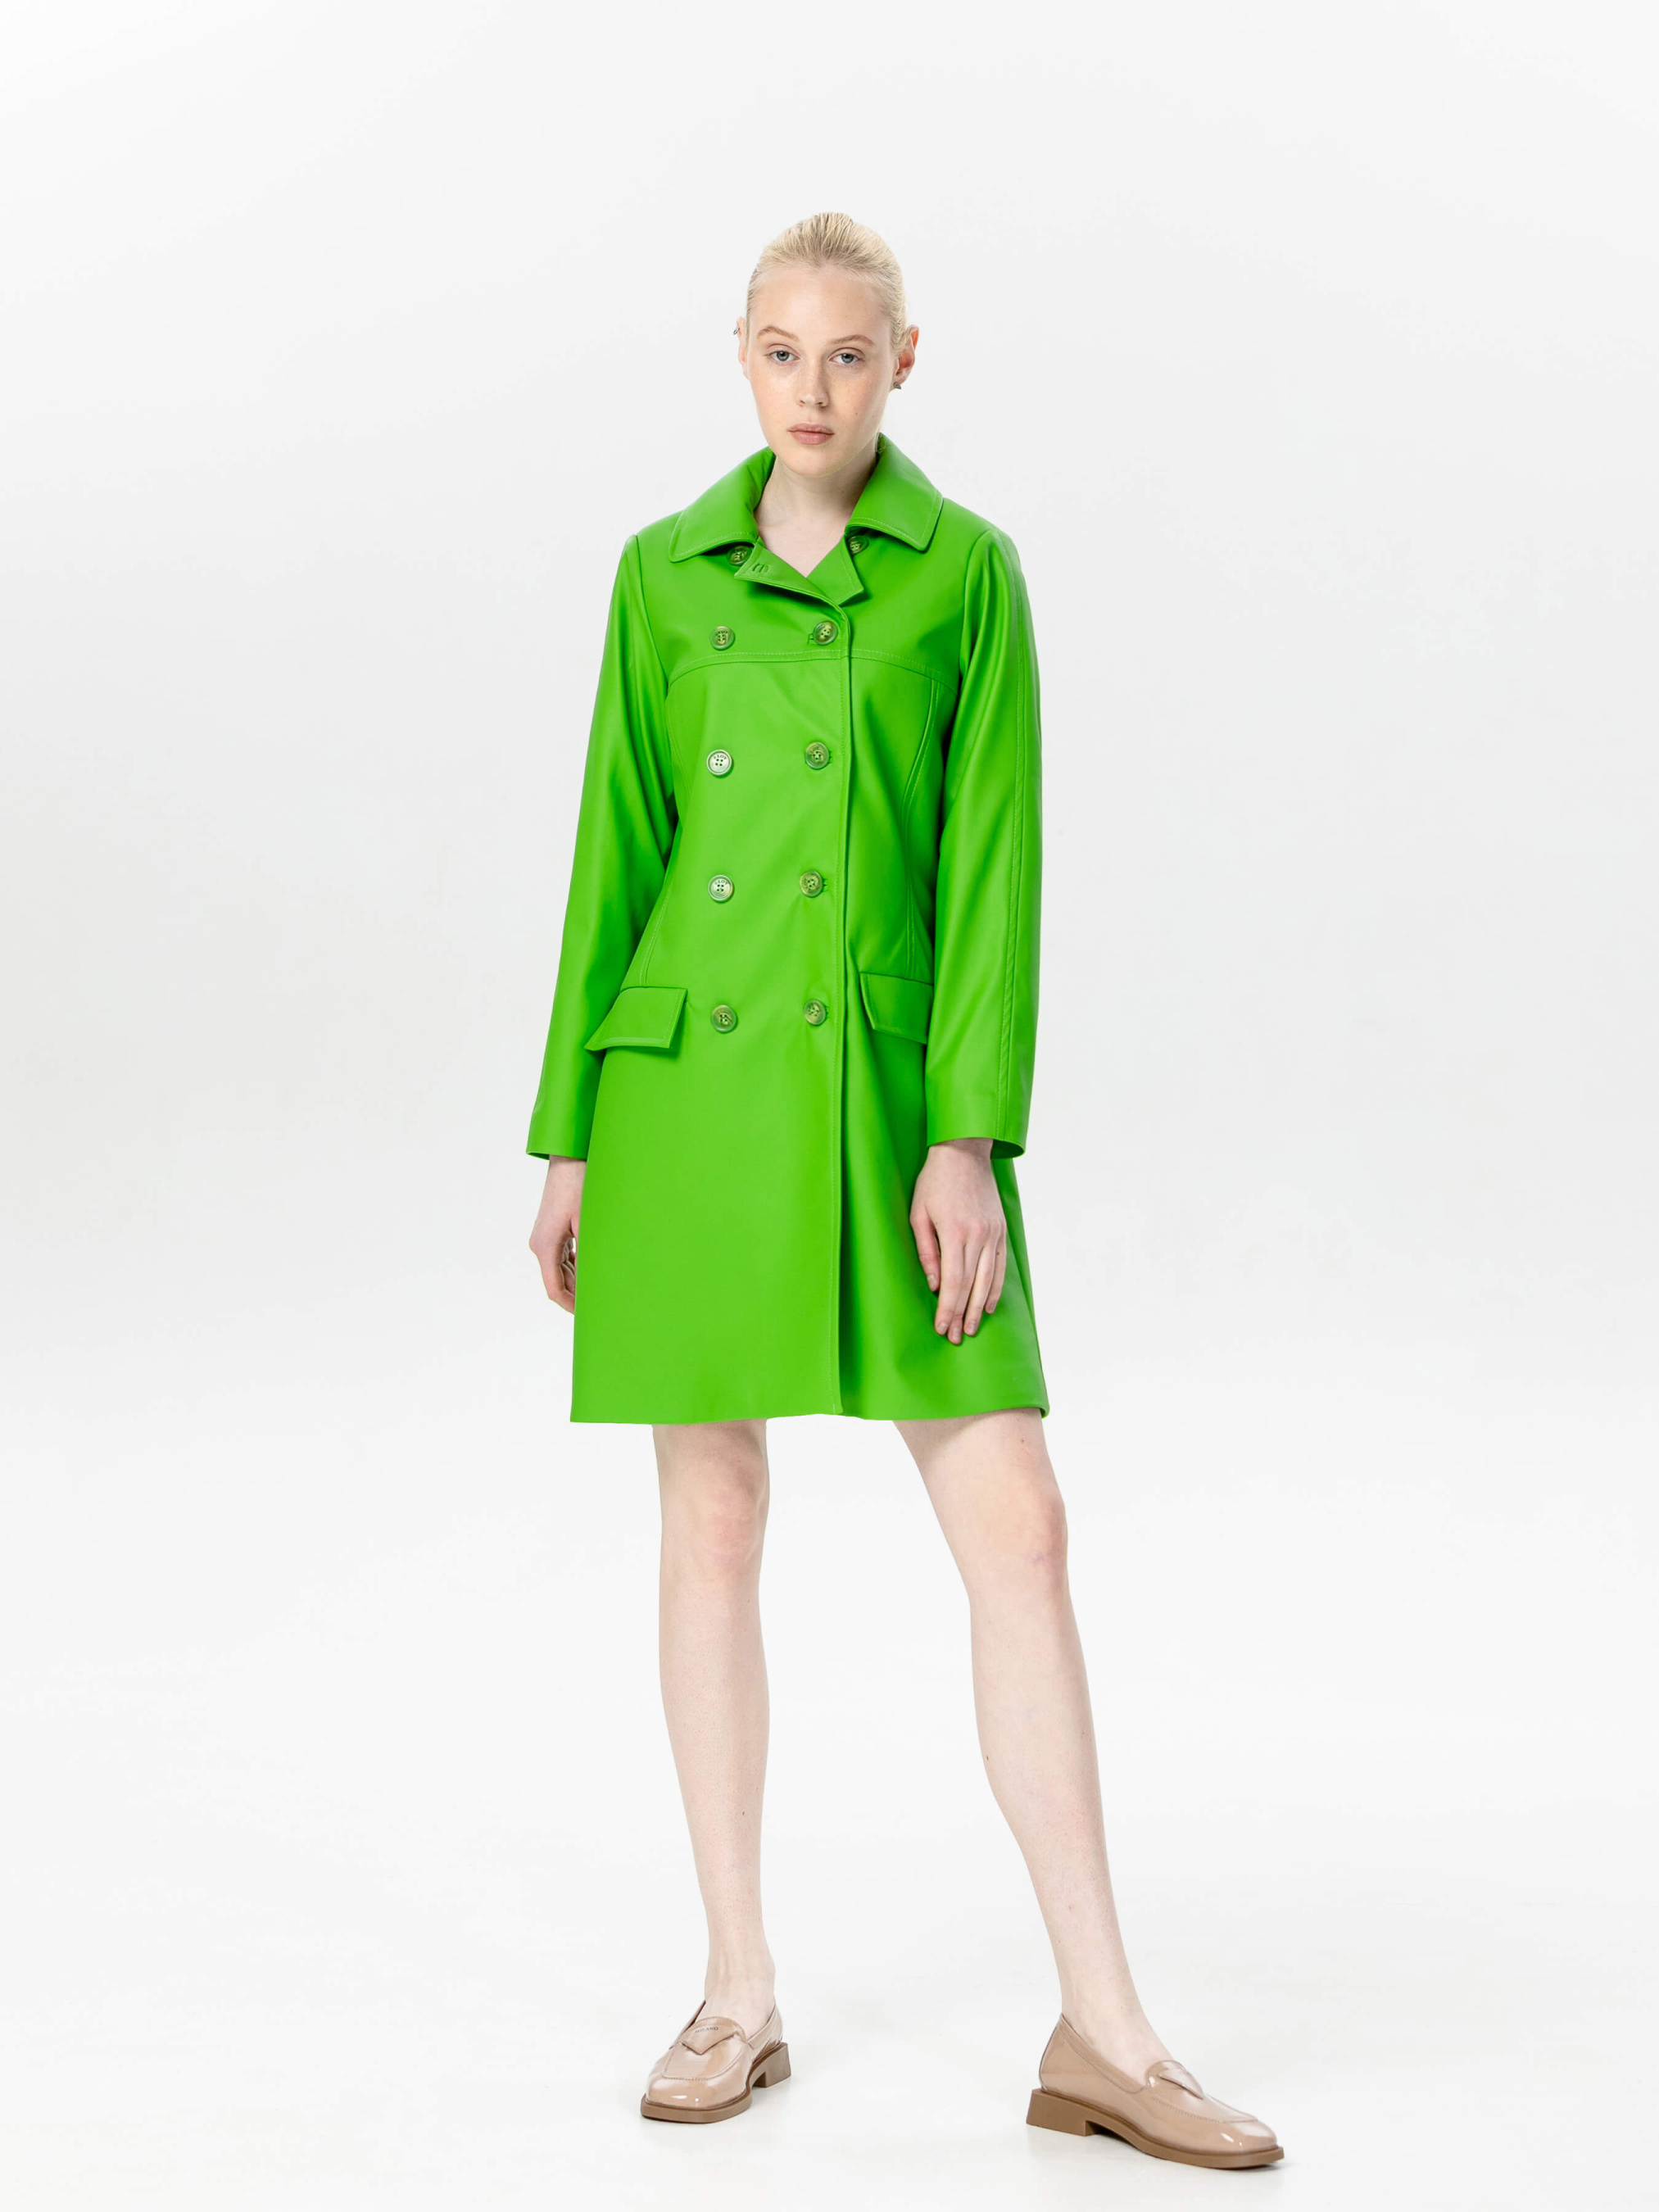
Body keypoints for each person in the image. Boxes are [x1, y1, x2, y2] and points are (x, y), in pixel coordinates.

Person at [526, 212, 1281, 2170]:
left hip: (879, 1098)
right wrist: (568, 1136)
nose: (813, 388)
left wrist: (967, 1140)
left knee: (1015, 1520)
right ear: (741, 357)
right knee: (710, 1516)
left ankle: (1104, 2029)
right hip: (685, 1091)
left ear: (903, 362)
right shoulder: (658, 574)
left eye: (847, 355)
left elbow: (992, 868)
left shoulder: (963, 573)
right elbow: (616, 848)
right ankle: (735, 1992)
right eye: (780, 352)